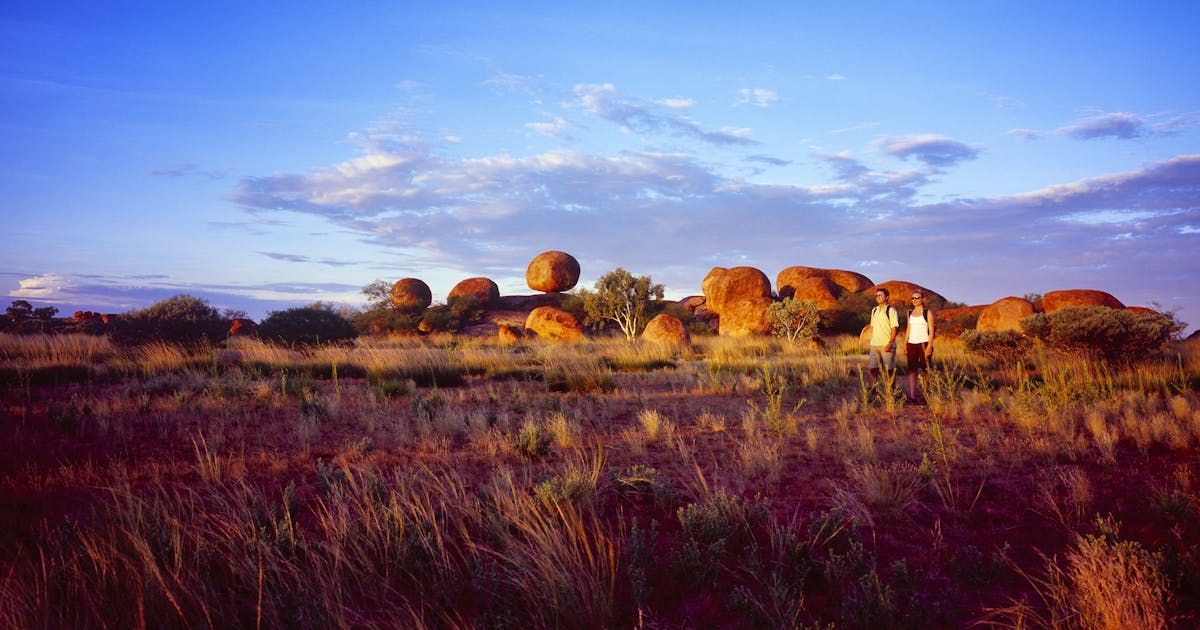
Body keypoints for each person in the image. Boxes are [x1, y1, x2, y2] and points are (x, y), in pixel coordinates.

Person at [905, 290, 935, 402]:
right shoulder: (909, 312)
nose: (915, 300)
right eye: (913, 298)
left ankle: (925, 396)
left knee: (925, 370)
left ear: (923, 299)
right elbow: (908, 328)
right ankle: (912, 396)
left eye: (917, 298)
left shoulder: (927, 312)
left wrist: (929, 346)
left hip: (924, 343)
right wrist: (905, 344)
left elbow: (931, 330)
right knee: (911, 370)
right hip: (911, 344)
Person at [868, 288, 899, 383]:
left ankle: (891, 390)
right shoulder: (874, 310)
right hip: (874, 345)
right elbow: (872, 326)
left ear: (887, 297)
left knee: (889, 370)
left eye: (880, 295)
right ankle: (873, 389)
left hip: (887, 345)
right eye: (876, 295)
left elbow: (894, 328)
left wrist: (890, 343)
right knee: (873, 369)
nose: (878, 297)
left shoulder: (891, 310)